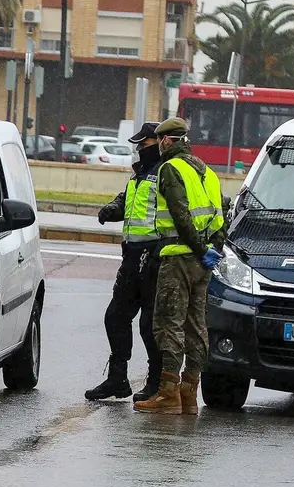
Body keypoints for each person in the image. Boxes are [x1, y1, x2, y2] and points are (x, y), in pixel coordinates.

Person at [134, 117, 225, 415]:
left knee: (168, 323)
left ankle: (168, 394)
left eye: (161, 141)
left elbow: (180, 214)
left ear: (168, 141)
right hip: (203, 262)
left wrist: (197, 249)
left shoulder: (170, 169)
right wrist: (211, 251)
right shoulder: (208, 172)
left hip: (178, 258)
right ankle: (189, 393)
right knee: (196, 326)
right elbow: (220, 218)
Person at [85, 121, 164, 403]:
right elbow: (129, 201)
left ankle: (157, 382)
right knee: (116, 317)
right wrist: (112, 209)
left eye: (144, 144)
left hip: (156, 258)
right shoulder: (140, 175)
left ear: (159, 142)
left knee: (150, 325)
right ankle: (117, 379)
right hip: (132, 257)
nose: (140, 150)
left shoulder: (168, 173)